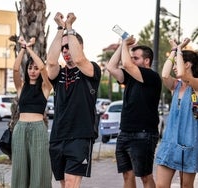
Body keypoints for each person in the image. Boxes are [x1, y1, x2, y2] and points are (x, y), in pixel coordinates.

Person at [46, 12, 101, 188]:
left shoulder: (91, 69)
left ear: (79, 46)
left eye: (68, 46)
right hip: (58, 135)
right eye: (63, 48)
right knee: (64, 184)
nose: (65, 51)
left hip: (81, 135)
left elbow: (78, 59)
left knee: (71, 183)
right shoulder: (59, 74)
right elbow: (51, 62)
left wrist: (69, 28)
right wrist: (60, 29)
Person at [106, 36, 162, 188]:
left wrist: (125, 44)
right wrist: (121, 46)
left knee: (145, 177)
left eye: (135, 58)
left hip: (144, 133)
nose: (131, 61)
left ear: (146, 61)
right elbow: (111, 67)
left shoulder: (152, 76)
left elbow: (126, 64)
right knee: (127, 175)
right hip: (125, 132)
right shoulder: (129, 78)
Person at [155, 38, 198, 188]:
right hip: (170, 142)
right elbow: (165, 74)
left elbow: (182, 74)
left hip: (190, 143)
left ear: (187, 64)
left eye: (177, 63)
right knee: (161, 185)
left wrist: (180, 49)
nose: (174, 67)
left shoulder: (196, 85)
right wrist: (174, 50)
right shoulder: (176, 86)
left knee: (186, 186)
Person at [11, 36, 52, 188]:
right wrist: (22, 49)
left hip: (38, 129)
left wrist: (29, 48)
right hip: (20, 129)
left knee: (39, 170)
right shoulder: (21, 87)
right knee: (20, 169)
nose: (33, 71)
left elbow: (43, 67)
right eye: (30, 68)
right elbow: (15, 69)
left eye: (34, 68)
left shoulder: (46, 88)